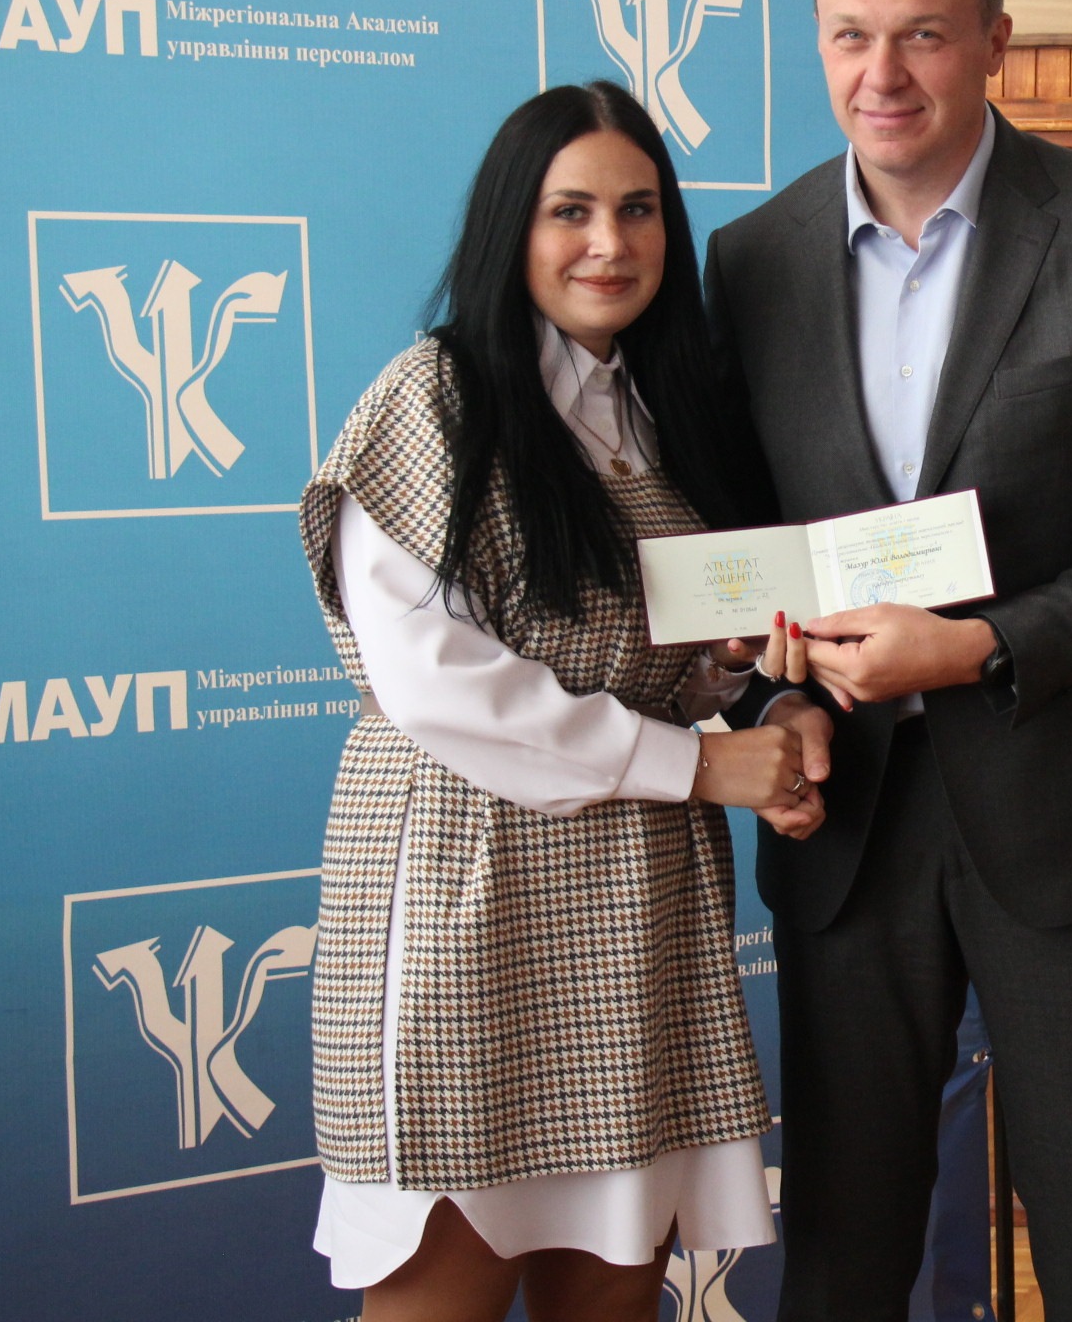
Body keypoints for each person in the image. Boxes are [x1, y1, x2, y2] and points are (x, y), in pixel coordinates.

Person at [704, 0, 1072, 1322]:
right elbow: (740, 548)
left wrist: (975, 647)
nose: (881, 74)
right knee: (841, 1265)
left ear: (997, 39)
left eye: (924, 35)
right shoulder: (748, 262)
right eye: (849, 35)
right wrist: (765, 695)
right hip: (849, 823)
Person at [298, 83, 834, 1322]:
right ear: (513, 227)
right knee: (441, 1290)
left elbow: (652, 659)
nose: (610, 243)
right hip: (466, 885)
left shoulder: (660, 408)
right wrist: (701, 766)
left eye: (639, 211)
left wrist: (743, 683)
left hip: (633, 902)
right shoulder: (435, 396)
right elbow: (433, 679)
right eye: (572, 211)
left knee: (613, 1294)